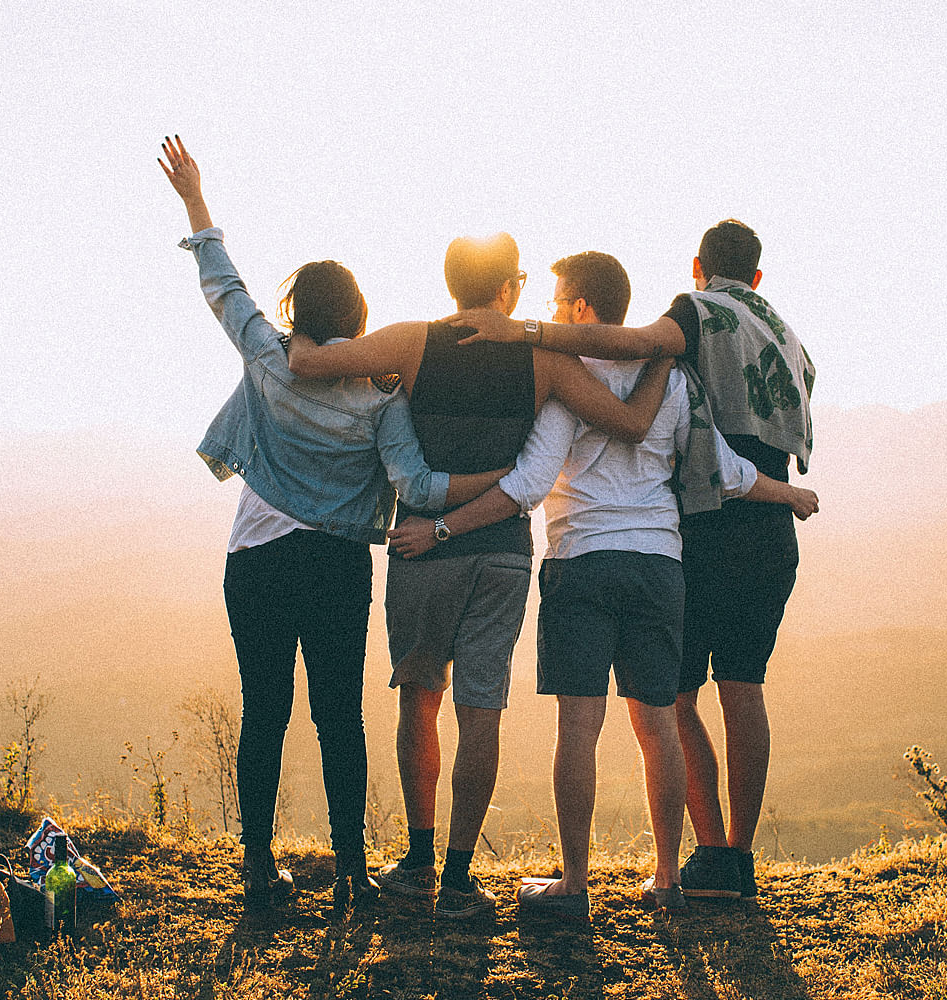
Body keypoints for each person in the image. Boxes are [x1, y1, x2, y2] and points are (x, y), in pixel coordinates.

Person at [389, 252, 818, 920]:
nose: (555, 312)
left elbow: (528, 486)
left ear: (583, 308)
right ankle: (669, 879)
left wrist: (440, 528)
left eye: (562, 302)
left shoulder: (567, 382)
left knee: (579, 727)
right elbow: (725, 469)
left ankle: (575, 885)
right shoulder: (670, 380)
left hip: (582, 562)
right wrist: (789, 493)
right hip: (659, 566)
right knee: (658, 725)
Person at [158, 136, 513, 915]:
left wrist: (195, 201)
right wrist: (507, 480)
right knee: (338, 717)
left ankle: (258, 866)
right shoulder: (379, 393)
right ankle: (352, 872)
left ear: (295, 312)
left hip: (255, 554)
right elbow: (415, 484)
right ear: (357, 316)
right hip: (338, 567)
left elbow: (224, 287)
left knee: (264, 710)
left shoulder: (269, 355)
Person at [286, 237, 673, 918]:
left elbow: (314, 362)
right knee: (480, 708)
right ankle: (461, 879)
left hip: (420, 551)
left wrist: (297, 336)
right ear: (507, 292)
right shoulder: (543, 360)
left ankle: (417, 861)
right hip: (502, 553)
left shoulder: (411, 343)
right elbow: (629, 423)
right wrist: (666, 353)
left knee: (419, 697)